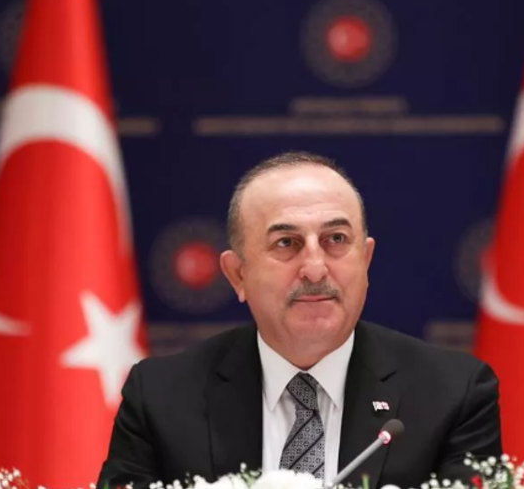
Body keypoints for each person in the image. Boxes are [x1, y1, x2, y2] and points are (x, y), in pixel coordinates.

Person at [96, 151, 502, 489]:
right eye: (286, 243)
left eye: (336, 240)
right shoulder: (160, 397)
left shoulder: (454, 393)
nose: (315, 268)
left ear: (366, 261)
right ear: (238, 274)